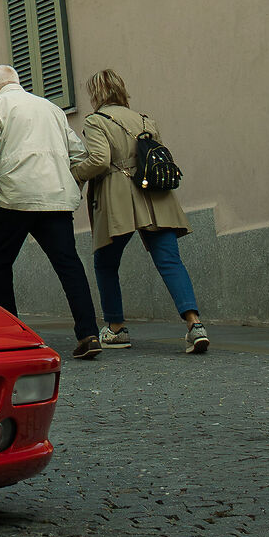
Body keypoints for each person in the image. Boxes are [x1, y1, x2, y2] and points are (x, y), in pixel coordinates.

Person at [75, 68, 209, 353]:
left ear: (97, 94)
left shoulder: (96, 121)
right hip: (155, 197)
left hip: (118, 199)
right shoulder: (146, 120)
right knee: (170, 262)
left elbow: (100, 160)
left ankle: (115, 328)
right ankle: (194, 325)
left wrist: (75, 172)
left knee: (106, 264)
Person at [0, 64, 99, 359]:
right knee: (69, 265)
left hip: (13, 198)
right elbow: (79, 153)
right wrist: (71, 185)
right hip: (54, 199)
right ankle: (89, 333)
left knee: (1, 265)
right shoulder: (51, 109)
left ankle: (11, 336)